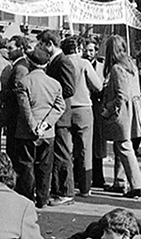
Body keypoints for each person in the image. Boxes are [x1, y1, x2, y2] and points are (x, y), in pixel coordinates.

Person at [13, 48, 65, 208]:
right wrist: (46, 123)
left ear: (29, 62)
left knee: (26, 165)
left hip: (26, 132)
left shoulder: (24, 82)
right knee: (45, 166)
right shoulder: (54, 84)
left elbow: (25, 108)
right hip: (47, 132)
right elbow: (60, 106)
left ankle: (27, 199)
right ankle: (42, 198)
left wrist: (34, 127)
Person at [101, 35, 141, 199]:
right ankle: (120, 182)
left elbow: (122, 95)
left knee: (124, 147)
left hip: (123, 112)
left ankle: (137, 185)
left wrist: (108, 109)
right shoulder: (130, 64)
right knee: (123, 146)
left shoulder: (117, 68)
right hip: (135, 110)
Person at [37, 30, 78, 207]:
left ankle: (65, 191)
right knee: (57, 153)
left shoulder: (63, 62)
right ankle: (57, 188)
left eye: (41, 45)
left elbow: (70, 89)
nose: (40, 49)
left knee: (62, 153)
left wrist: (51, 90)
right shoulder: (55, 61)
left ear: (49, 45)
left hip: (60, 116)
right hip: (55, 114)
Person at [62, 36, 102, 197]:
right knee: (85, 149)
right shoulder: (84, 63)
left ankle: (67, 186)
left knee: (66, 149)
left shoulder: (61, 62)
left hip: (65, 108)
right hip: (83, 108)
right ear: (78, 48)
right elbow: (98, 86)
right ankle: (85, 187)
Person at [0, 35, 32, 165]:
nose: (8, 51)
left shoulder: (20, 67)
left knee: (14, 151)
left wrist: (3, 94)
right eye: (7, 48)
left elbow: (18, 91)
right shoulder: (16, 65)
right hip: (14, 115)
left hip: (16, 115)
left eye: (11, 48)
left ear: (21, 48)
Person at [82, 38, 108, 190]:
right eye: (86, 50)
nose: (88, 53)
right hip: (85, 104)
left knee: (97, 143)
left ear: (96, 51)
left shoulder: (101, 66)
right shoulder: (79, 63)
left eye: (91, 50)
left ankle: (98, 176)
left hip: (97, 106)